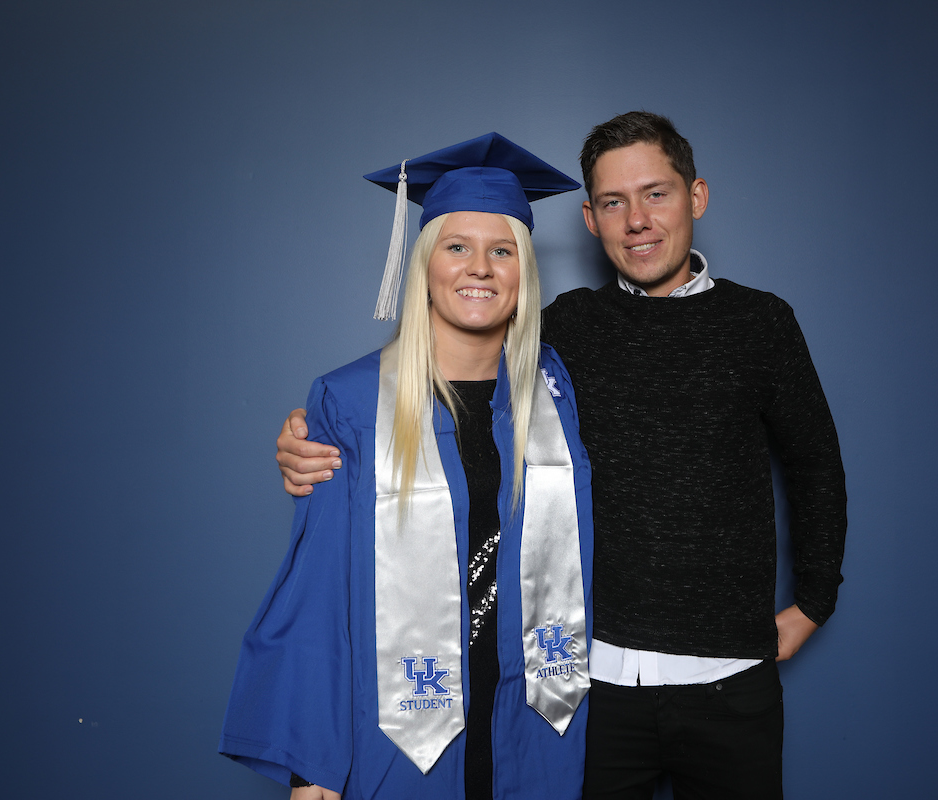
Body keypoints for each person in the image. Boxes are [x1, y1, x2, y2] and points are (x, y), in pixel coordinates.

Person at [276, 113, 847, 799]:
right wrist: (309, 441)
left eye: (656, 194)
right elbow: (454, 358)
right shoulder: (565, 335)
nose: (636, 219)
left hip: (712, 683)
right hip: (593, 687)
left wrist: (814, 600)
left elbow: (814, 464)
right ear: (590, 218)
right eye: (614, 202)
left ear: (696, 196)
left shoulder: (757, 324)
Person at [221, 133, 594, 800]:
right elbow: (318, 601)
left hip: (534, 731)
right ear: (424, 263)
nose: (480, 267)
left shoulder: (554, 392)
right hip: (400, 734)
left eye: (501, 250)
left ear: (524, 270)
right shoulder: (353, 403)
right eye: (457, 246)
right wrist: (313, 776)